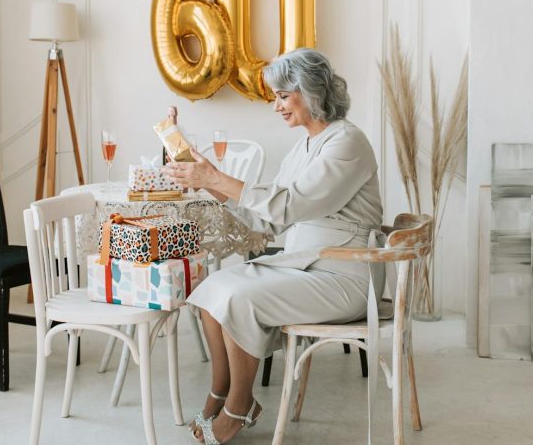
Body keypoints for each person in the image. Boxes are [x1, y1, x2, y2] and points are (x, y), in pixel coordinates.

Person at [162, 48, 383, 444]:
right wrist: (210, 183)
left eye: (283, 95)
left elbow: (290, 203)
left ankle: (240, 404)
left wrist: (215, 175)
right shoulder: (304, 147)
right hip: (303, 264)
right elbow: (267, 218)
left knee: (238, 299)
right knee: (208, 292)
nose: (277, 106)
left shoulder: (347, 143)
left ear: (311, 91)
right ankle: (220, 392)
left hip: (345, 274)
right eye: (276, 97)